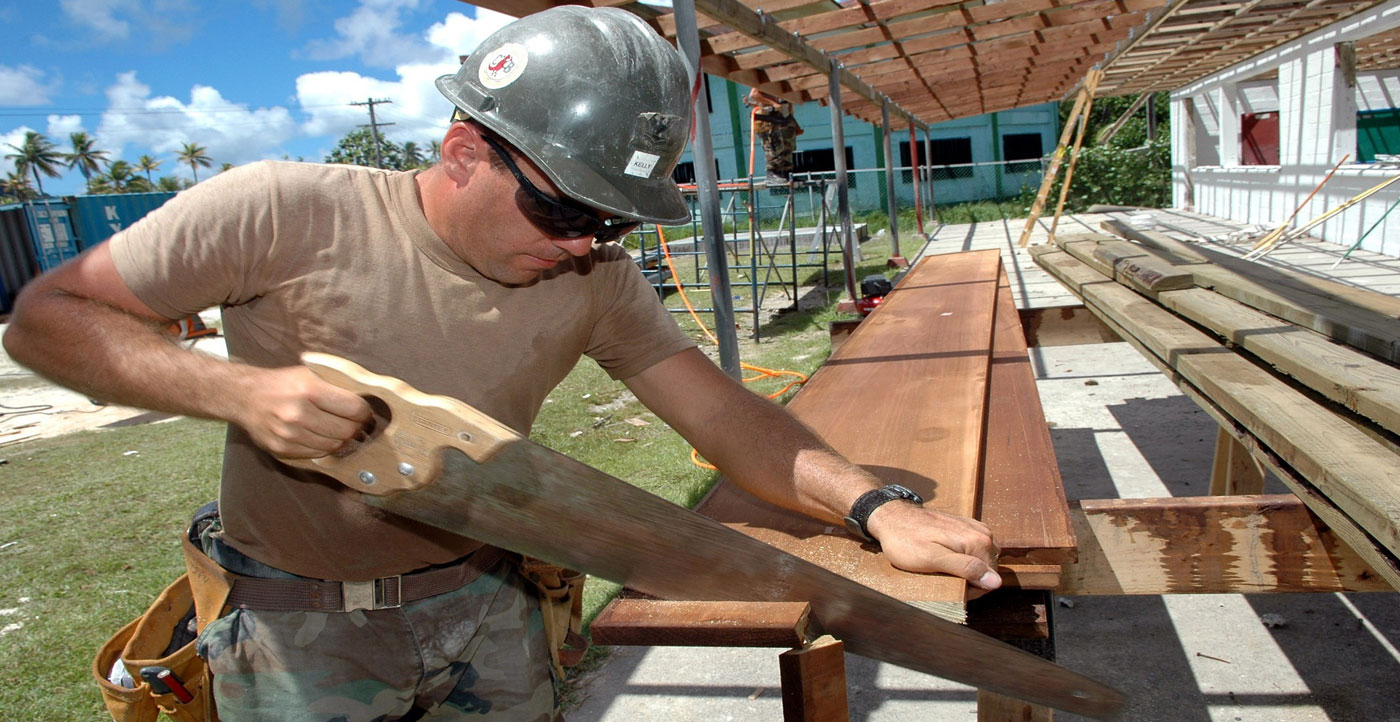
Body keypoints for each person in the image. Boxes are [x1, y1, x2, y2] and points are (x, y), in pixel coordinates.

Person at [3, 7, 998, 722]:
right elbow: (46, 318)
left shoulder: (597, 277)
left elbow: (725, 417)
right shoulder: (282, 209)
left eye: (606, 220)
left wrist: (875, 507)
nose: (582, 244)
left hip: (491, 603)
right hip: (298, 627)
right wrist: (239, 390)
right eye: (564, 210)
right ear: (462, 151)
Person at [746, 87, 803, 185]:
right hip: (768, 121)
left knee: (788, 147)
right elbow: (754, 94)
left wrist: (792, 121)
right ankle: (772, 173)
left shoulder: (783, 84)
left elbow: (789, 105)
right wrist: (773, 103)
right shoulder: (764, 80)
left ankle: (786, 172)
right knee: (774, 147)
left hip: (784, 120)